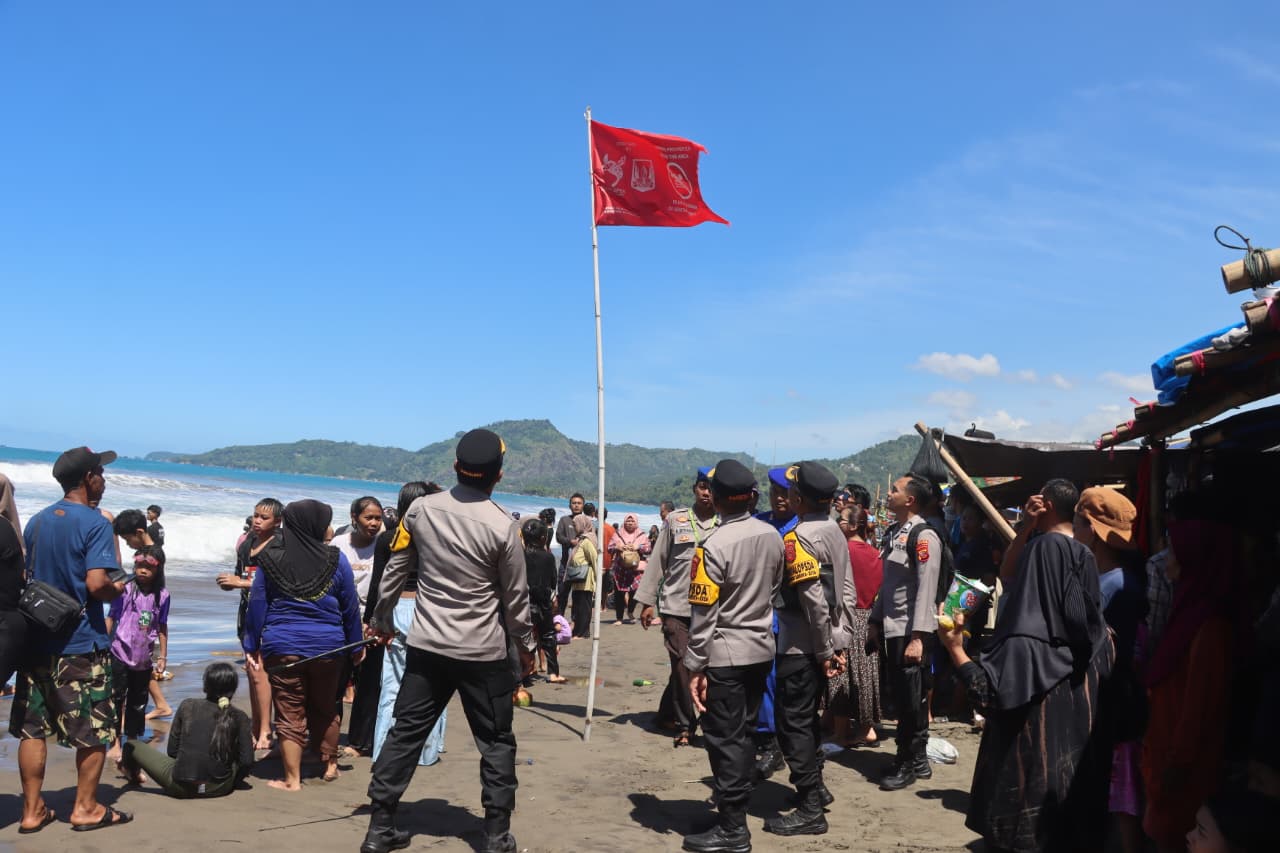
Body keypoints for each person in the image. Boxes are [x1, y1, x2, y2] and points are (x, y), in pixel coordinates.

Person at [362, 428, 536, 853]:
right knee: (495, 742)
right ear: (498, 475)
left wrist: (382, 619)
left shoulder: (421, 510)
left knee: (406, 733)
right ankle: (495, 835)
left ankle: (379, 826)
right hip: (484, 651)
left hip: (428, 647)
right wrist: (527, 649)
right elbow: (516, 600)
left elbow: (395, 569)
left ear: (457, 468)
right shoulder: (503, 525)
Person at [936, 476, 1116, 853]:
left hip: (1019, 818)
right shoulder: (1101, 642)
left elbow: (985, 694)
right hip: (1068, 816)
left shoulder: (1022, 644)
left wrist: (955, 648)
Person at [10, 447, 132, 832]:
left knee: (32, 730)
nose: (104, 479)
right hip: (80, 642)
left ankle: (31, 812)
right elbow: (97, 584)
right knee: (93, 730)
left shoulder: (37, 521)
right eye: (100, 471)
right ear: (87, 478)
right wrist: (118, 591)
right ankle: (86, 808)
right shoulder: (95, 523)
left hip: (35, 639)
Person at [682, 460, 785, 853]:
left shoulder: (712, 546)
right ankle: (732, 816)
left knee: (725, 740)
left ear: (719, 499)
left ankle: (733, 828)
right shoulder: (772, 536)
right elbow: (775, 587)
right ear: (752, 497)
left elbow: (704, 613)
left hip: (725, 653)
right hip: (761, 647)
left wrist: (694, 664)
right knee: (741, 735)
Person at [242, 499, 364, 790]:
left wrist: (251, 644)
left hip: (283, 648)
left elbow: (257, 605)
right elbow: (350, 607)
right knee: (324, 707)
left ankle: (292, 780)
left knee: (289, 712)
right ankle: (331, 766)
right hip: (329, 649)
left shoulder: (271, 559)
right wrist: (356, 646)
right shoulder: (337, 559)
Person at [1143, 497, 1238, 852]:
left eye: (1172, 552)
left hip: (1182, 774)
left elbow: (1196, 711)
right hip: (1167, 763)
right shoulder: (1189, 613)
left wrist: (1173, 771)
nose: (1166, 562)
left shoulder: (1209, 628)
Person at [764, 461, 851, 836]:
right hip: (826, 639)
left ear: (797, 497)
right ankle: (816, 790)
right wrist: (840, 640)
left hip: (803, 645)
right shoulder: (833, 530)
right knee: (808, 723)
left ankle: (811, 808)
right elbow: (845, 591)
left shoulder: (798, 538)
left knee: (793, 725)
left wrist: (822, 650)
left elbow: (814, 601)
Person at [1073, 487, 1148, 853]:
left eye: (1077, 522)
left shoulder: (1116, 587)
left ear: (1090, 529)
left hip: (1103, 709)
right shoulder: (1106, 580)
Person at [365, 481, 450, 765]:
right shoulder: (441, 539)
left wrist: (372, 623)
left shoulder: (388, 538)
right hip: (431, 610)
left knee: (391, 686)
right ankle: (426, 752)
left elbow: (379, 584)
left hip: (396, 609)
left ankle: (383, 752)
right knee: (433, 684)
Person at [868, 474, 943, 790]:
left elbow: (927, 590)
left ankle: (908, 762)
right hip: (892, 627)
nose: (888, 493)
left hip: (911, 631)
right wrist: (874, 620)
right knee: (902, 696)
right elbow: (889, 583)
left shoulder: (925, 537)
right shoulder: (895, 533)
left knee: (911, 702)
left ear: (910, 499)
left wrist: (918, 638)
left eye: (894, 490)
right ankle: (917, 758)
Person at [636, 467, 719, 747]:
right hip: (676, 607)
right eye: (702, 486)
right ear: (694, 489)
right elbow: (658, 561)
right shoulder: (676, 520)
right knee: (683, 665)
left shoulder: (726, 523)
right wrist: (647, 601)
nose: (706, 492)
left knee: (703, 668)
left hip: (713, 611)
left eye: (711, 487)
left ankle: (666, 713)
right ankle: (686, 725)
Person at [120, 662, 254, 798]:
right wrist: (234, 781)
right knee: (236, 754)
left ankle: (134, 776)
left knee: (131, 745)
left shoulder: (187, 706)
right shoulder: (239, 716)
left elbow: (172, 751)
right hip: (219, 789)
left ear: (205, 687)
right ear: (233, 689)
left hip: (179, 785)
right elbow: (247, 761)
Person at [107, 510, 171, 776]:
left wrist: (162, 656)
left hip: (143, 654)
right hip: (120, 651)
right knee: (115, 697)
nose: (143, 570)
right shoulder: (126, 588)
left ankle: (132, 742)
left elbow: (163, 625)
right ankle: (113, 741)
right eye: (139, 566)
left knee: (137, 702)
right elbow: (112, 615)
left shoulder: (162, 595)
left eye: (126, 538)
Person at [216, 497, 282, 750]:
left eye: (264, 517)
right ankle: (257, 727)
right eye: (255, 515)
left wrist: (241, 583)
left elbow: (279, 584)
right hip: (247, 614)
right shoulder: (247, 544)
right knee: (252, 671)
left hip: (271, 616)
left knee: (260, 673)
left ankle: (266, 730)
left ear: (277, 521)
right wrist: (229, 583)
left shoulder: (279, 547)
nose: (257, 520)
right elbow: (240, 576)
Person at [752, 466, 799, 780]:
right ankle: (764, 738)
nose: (780, 498)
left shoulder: (804, 527)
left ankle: (774, 743)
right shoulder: (759, 523)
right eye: (776, 492)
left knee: (779, 684)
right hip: (755, 614)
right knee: (758, 680)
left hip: (790, 617)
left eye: (787, 493)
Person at [333, 495, 384, 749]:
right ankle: (329, 739)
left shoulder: (384, 545)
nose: (374, 523)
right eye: (369, 517)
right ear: (354, 518)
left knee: (368, 686)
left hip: (372, 623)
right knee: (336, 684)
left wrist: (372, 620)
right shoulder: (339, 544)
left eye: (378, 518)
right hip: (341, 621)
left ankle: (359, 742)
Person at [835, 505, 882, 748]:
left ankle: (841, 732)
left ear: (853, 525)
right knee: (866, 675)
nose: (837, 522)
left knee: (841, 674)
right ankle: (867, 727)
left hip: (847, 615)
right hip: (869, 616)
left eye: (841, 520)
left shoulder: (843, 550)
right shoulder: (875, 553)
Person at [521, 517, 564, 683]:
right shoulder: (547, 557)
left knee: (524, 637)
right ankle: (554, 673)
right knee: (548, 636)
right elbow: (553, 581)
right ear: (543, 538)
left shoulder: (519, 555)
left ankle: (526, 669)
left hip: (523, 602)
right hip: (543, 602)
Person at [609, 513, 651, 624]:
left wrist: (638, 547)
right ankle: (619, 618)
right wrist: (619, 547)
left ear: (636, 523)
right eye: (628, 521)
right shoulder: (618, 534)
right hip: (620, 568)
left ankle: (631, 611)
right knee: (619, 594)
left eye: (632, 521)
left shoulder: (641, 534)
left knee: (635, 592)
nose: (630, 523)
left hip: (635, 568)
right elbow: (610, 547)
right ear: (624, 522)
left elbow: (648, 548)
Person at [567, 513, 599, 638]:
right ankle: (577, 631)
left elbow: (594, 560)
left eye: (575, 525)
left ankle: (583, 632)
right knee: (577, 607)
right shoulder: (581, 539)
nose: (574, 527)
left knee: (584, 608)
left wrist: (597, 582)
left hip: (585, 581)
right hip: (578, 580)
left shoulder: (587, 541)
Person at [555, 493, 585, 613]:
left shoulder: (586, 521)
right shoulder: (564, 520)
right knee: (562, 593)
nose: (576, 505)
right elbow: (558, 536)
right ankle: (560, 619)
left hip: (581, 565)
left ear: (583, 505)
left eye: (579, 503)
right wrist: (570, 541)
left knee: (578, 596)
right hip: (565, 564)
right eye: (574, 503)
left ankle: (575, 623)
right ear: (569, 505)